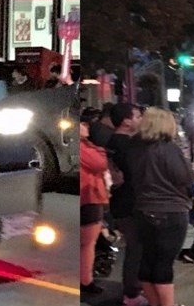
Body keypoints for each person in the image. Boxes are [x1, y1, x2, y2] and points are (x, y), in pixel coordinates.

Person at [123, 107, 192, 306]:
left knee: (147, 260)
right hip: (170, 211)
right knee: (164, 264)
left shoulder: (134, 147)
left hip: (143, 209)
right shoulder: (168, 148)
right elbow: (184, 177)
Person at [105, 102, 145, 306]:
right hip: (128, 203)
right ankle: (132, 293)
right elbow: (135, 174)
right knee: (136, 248)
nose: (140, 120)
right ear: (126, 121)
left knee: (136, 247)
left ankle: (135, 289)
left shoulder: (115, 141)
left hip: (122, 202)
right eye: (137, 116)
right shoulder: (123, 144)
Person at [79, 111, 110, 296]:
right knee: (87, 244)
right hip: (89, 197)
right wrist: (100, 148)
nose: (86, 127)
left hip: (88, 197)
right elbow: (100, 163)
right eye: (83, 124)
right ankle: (85, 281)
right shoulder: (85, 148)